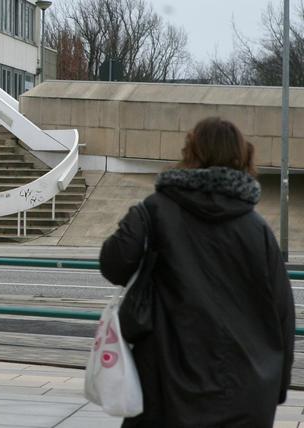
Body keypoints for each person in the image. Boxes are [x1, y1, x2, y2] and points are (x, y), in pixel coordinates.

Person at [99, 117, 294, 427]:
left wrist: (140, 218)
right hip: (246, 387)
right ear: (242, 156)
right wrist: (278, 384)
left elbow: (113, 264)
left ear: (190, 151)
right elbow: (282, 312)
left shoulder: (156, 210)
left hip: (165, 382)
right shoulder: (258, 230)